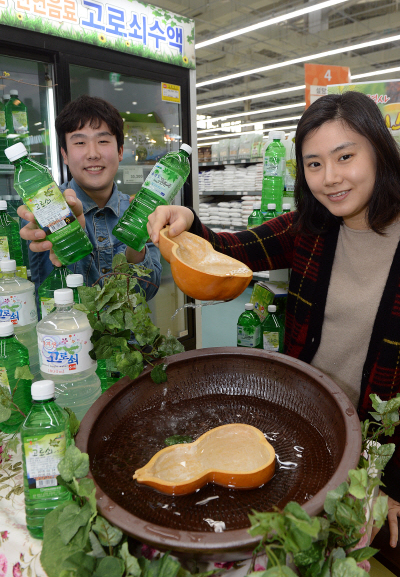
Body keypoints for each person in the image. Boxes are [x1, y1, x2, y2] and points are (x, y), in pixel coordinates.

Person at [146, 91, 400, 548]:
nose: (331, 178)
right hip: (308, 428)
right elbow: (231, 248)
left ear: (379, 150)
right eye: (314, 164)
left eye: (345, 156)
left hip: (383, 453)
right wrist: (187, 222)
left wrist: (391, 485)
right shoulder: (310, 228)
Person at [17, 95, 161, 301]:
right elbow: (47, 293)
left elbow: (148, 292)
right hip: (63, 332)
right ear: (64, 155)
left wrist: (135, 246)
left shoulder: (139, 210)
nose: (92, 153)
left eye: (103, 141)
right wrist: (67, 237)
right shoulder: (44, 210)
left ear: (120, 151)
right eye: (80, 142)